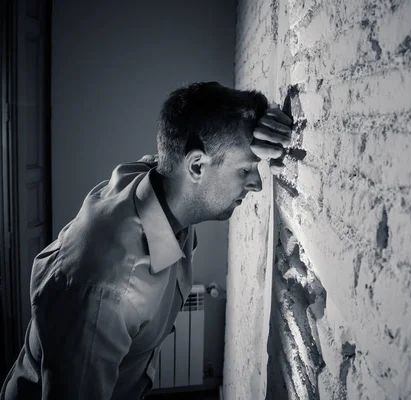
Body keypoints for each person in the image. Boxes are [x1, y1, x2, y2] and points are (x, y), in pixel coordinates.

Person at [0, 82, 293, 400]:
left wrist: (269, 119)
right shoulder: (108, 287)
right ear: (196, 165)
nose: (257, 184)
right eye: (247, 168)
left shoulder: (164, 181)